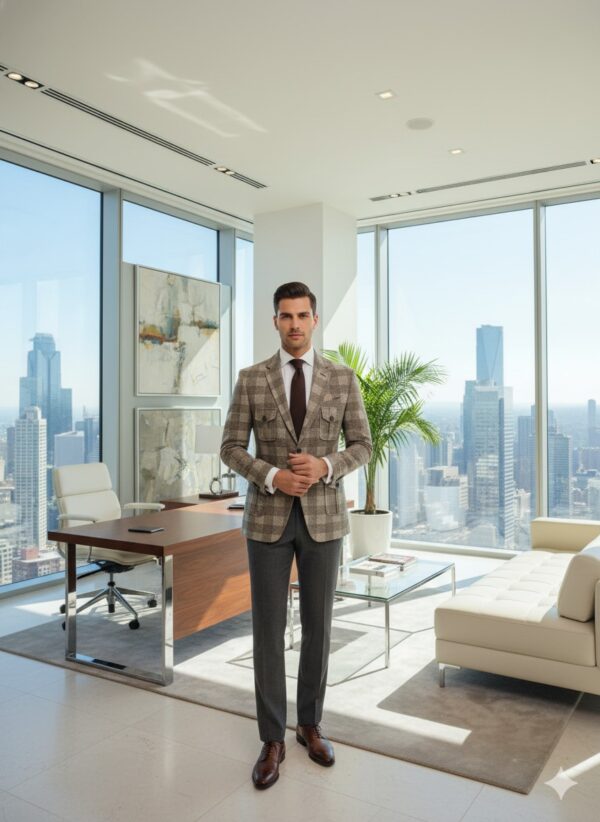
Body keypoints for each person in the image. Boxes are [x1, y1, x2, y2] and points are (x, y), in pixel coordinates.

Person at [220, 281, 372, 790]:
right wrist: (272, 476)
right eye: (286, 316)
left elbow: (363, 445)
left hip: (324, 521)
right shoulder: (251, 379)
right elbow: (230, 447)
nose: (295, 325)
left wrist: (325, 465)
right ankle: (272, 739)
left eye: (302, 315)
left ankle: (310, 725)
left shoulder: (342, 378)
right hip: (267, 521)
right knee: (267, 631)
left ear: (315, 319)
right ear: (275, 322)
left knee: (318, 628)